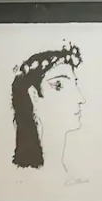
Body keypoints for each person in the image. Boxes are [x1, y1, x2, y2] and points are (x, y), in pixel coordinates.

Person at [11, 43, 85, 179]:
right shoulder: (23, 179)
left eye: (75, 84)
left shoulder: (75, 178)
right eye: (59, 85)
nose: (81, 99)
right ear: (34, 95)